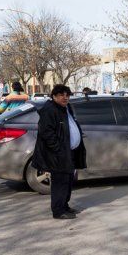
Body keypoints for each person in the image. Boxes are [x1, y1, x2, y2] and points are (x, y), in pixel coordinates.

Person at [31, 84, 86, 220]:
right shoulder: (50, 110)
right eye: (61, 95)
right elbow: (47, 133)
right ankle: (58, 210)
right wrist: (58, 149)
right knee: (60, 183)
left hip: (69, 152)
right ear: (54, 96)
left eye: (67, 95)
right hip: (58, 154)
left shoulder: (66, 108)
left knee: (68, 181)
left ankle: (64, 206)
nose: (65, 97)